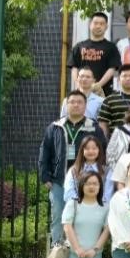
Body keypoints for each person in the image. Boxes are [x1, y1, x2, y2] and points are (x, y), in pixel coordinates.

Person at [40, 92, 105, 249]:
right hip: (59, 179)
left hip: (85, 181)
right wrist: (45, 176)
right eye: (72, 102)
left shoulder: (93, 127)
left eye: (79, 102)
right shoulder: (55, 126)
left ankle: (79, 246)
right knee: (58, 214)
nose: (76, 105)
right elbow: (45, 151)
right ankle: (57, 247)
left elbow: (103, 150)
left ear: (85, 105)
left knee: (81, 216)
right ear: (66, 105)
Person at [70, 11, 121, 96]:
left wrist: (98, 85)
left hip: (104, 92)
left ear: (106, 27)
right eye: (95, 23)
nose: (98, 26)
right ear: (90, 24)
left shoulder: (111, 47)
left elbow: (112, 69)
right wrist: (78, 84)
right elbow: (74, 67)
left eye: (101, 24)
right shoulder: (79, 46)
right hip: (82, 92)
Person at [99, 64, 130, 136]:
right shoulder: (109, 100)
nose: (128, 79)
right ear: (118, 79)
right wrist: (105, 140)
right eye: (124, 76)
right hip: (117, 139)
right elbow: (103, 123)